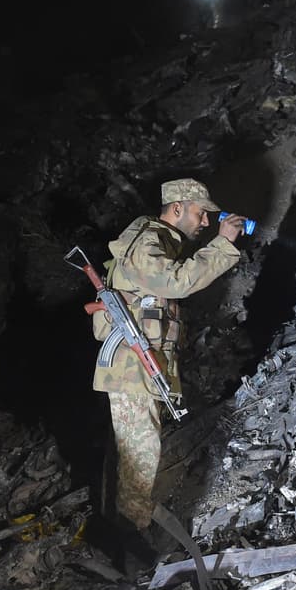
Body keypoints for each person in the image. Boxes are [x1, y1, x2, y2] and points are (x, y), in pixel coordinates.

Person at [93, 179, 247, 537]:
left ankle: (124, 520)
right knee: (140, 449)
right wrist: (222, 245)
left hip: (141, 364)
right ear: (176, 208)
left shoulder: (159, 242)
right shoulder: (147, 241)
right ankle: (129, 532)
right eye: (200, 214)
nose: (205, 223)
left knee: (139, 447)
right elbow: (176, 283)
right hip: (130, 366)